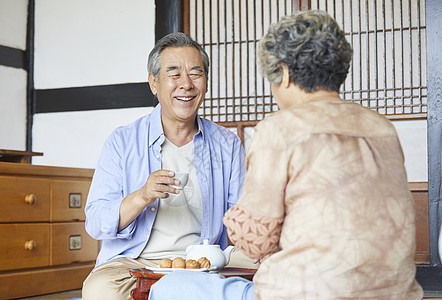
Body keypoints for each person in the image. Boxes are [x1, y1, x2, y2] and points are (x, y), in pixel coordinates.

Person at [148, 10, 424, 300]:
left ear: (286, 73)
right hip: (396, 293)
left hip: (306, 293)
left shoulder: (281, 128)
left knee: (170, 287)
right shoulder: (382, 128)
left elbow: (255, 242)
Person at [82, 32, 249, 300]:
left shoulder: (226, 144)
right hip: (135, 263)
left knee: (276, 269)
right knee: (99, 289)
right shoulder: (122, 141)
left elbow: (241, 216)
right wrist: (142, 195)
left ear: (205, 83)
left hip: (205, 260)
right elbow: (96, 223)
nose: (186, 84)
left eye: (196, 73)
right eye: (174, 73)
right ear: (154, 83)